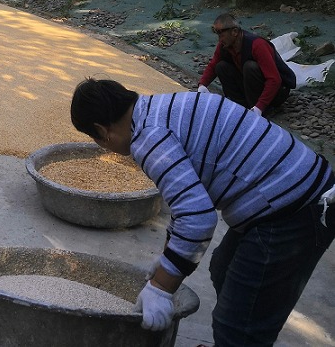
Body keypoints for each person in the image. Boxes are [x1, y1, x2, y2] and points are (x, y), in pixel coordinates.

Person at [70, 78, 335, 345]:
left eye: (95, 138)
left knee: (237, 327)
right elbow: (185, 202)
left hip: (297, 207)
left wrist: (160, 288)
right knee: (223, 269)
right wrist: (167, 257)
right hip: (290, 192)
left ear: (102, 131)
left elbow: (198, 219)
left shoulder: (148, 138)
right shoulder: (154, 109)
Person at [198, 13, 296, 115]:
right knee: (221, 67)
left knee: (250, 67)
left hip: (277, 92)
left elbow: (274, 80)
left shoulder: (257, 45)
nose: (220, 39)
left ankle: (259, 109)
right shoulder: (224, 45)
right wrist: (202, 85)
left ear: (234, 32)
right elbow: (213, 64)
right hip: (250, 87)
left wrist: (260, 107)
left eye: (221, 35)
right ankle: (239, 106)